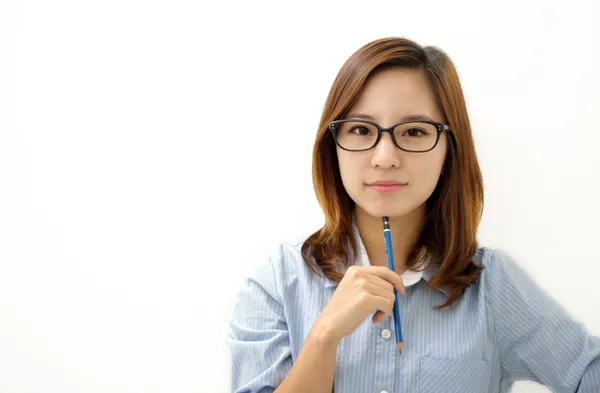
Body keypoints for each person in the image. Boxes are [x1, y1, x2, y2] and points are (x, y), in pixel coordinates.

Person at [225, 37, 600, 393]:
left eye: (415, 132)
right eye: (360, 129)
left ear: (449, 150)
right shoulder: (278, 281)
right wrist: (325, 334)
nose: (385, 157)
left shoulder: (491, 287)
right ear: (332, 145)